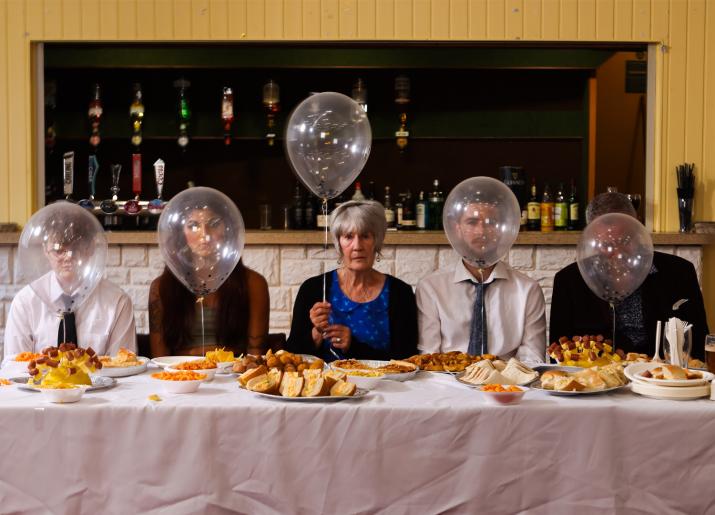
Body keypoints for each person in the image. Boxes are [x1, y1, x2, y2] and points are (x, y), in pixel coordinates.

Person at [550, 191, 709, 359]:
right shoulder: (568, 281)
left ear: (639, 229)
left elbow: (699, 343)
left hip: (660, 377)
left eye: (626, 240)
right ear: (591, 239)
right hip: (599, 378)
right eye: (606, 244)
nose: (618, 252)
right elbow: (557, 353)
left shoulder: (680, 272)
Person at [286, 200, 418, 362]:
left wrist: (353, 346)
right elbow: (290, 355)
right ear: (339, 244)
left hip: (385, 386)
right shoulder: (313, 289)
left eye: (365, 236)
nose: (357, 246)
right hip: (326, 385)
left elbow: (407, 360)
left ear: (376, 242)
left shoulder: (400, 292)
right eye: (348, 237)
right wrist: (316, 333)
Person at [416, 201, 546, 362]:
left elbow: (533, 358)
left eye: (491, 223)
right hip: (446, 382)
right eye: (472, 222)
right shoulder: (431, 287)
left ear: (502, 230)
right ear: (457, 228)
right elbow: (429, 357)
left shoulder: (528, 290)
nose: (481, 231)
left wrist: (499, 381)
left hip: (508, 383)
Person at [3, 214, 136, 362]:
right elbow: (15, 368)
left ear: (91, 248)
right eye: (59, 250)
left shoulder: (118, 302)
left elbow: (124, 367)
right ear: (45, 250)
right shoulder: (25, 302)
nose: (68, 257)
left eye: (76, 248)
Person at [149, 206, 269, 357]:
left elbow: (255, 357)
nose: (204, 235)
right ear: (181, 232)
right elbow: (159, 360)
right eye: (193, 225)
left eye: (213, 224)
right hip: (180, 377)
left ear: (227, 229)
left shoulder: (254, 284)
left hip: (233, 378)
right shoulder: (161, 287)